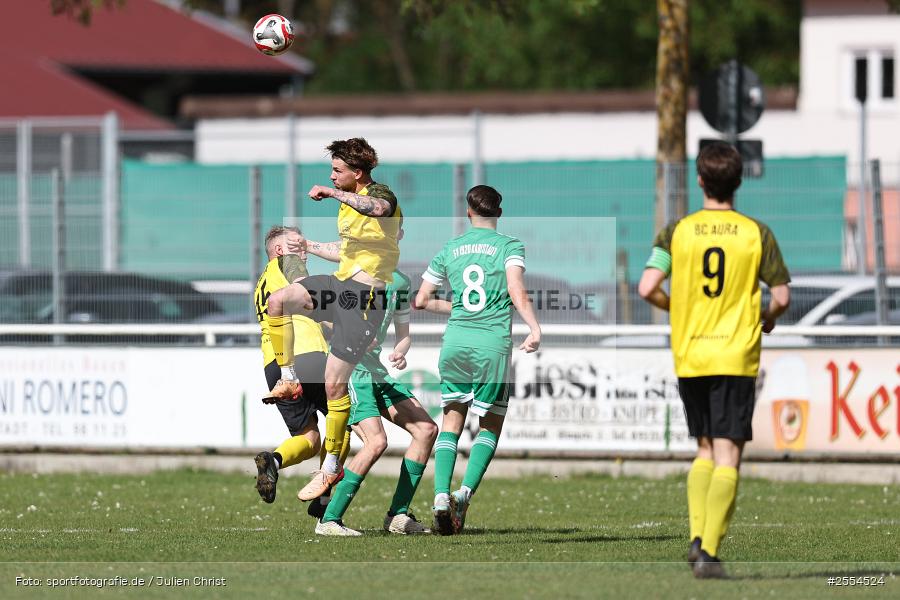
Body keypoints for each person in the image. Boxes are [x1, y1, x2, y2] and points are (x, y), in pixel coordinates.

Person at [638, 142, 791, 579]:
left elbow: (647, 287)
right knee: (729, 453)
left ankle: (695, 539)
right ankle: (707, 550)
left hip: (692, 353)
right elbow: (781, 296)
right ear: (737, 182)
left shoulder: (677, 231)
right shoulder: (755, 233)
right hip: (736, 354)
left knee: (704, 447)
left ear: (701, 180)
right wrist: (765, 316)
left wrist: (679, 309)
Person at [265, 138, 402, 503]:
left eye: (337, 171)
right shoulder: (346, 209)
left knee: (334, 388)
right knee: (279, 300)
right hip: (339, 288)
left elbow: (378, 207)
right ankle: (288, 379)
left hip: (364, 300)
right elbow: (346, 250)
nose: (331, 176)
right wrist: (309, 247)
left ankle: (328, 471)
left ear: (357, 173)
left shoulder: (379, 193)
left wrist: (332, 192)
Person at [414, 184, 541, 535]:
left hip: (455, 342)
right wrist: (534, 327)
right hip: (491, 345)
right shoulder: (510, 246)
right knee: (491, 424)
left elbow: (421, 300)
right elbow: (516, 289)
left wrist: (455, 307)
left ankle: (440, 496)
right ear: (498, 214)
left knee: (451, 423)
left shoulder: (450, 248)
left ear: (468, 213)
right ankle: (463, 495)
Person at [314, 269, 438, 536]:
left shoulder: (402, 281)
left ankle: (398, 516)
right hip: (351, 370)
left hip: (376, 372)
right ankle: (328, 519)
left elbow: (404, 335)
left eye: (395, 226)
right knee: (376, 442)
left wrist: (400, 352)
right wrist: (352, 333)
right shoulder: (351, 272)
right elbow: (323, 319)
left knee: (426, 430)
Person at [251, 225, 329, 504]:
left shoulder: (262, 282)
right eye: (297, 245)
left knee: (309, 439)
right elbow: (311, 296)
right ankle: (325, 500)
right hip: (306, 353)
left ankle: (274, 460)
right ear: (281, 250)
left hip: (274, 364)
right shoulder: (289, 263)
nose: (303, 252)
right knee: (346, 420)